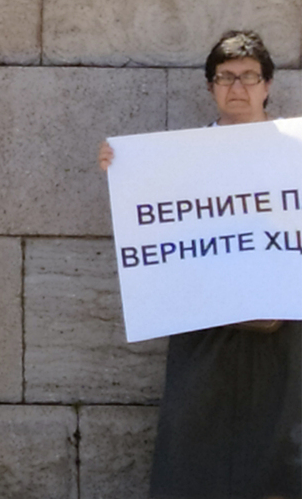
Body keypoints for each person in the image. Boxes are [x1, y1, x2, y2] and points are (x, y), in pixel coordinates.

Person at [99, 30, 302, 499]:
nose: (238, 87)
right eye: (226, 77)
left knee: (280, 443)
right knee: (196, 443)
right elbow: (151, 218)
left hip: (284, 320)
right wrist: (122, 169)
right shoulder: (180, 158)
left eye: (249, 77)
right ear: (211, 87)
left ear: (268, 84)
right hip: (203, 318)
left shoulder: (293, 150)